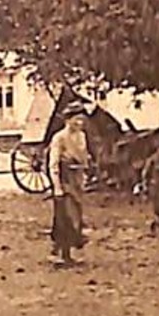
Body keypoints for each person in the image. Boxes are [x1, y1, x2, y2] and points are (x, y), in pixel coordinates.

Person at [47, 110, 91, 265]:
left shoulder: (81, 137)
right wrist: (57, 186)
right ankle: (61, 253)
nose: (79, 123)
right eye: (75, 120)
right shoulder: (59, 138)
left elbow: (84, 159)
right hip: (65, 180)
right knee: (65, 217)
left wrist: (84, 177)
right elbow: (53, 164)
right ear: (67, 120)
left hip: (77, 180)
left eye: (81, 120)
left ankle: (70, 252)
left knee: (77, 216)